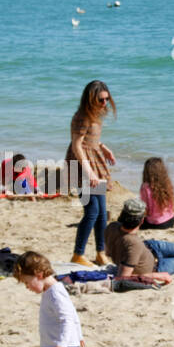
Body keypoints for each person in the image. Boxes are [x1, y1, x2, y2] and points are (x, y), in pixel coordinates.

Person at [66, 80, 116, 266]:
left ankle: (100, 253)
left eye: (107, 99)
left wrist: (103, 147)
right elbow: (76, 145)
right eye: (101, 100)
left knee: (102, 212)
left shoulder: (94, 115)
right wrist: (89, 173)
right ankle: (78, 254)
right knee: (92, 211)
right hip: (82, 166)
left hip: (95, 164)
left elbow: (89, 140)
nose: (105, 103)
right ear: (91, 99)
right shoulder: (82, 117)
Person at [139, 157, 174, 229]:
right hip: (170, 220)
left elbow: (145, 209)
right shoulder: (166, 183)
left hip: (156, 224)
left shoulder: (145, 187)